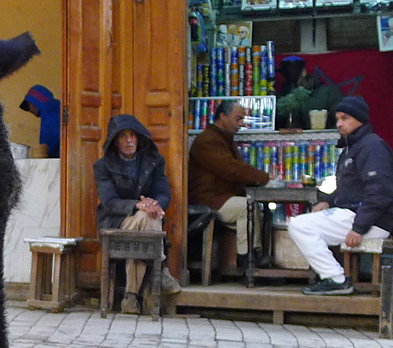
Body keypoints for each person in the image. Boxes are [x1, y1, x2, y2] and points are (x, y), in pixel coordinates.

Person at [286, 96, 393, 295]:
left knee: (299, 225)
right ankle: (334, 277)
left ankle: (336, 279)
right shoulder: (352, 148)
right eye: (338, 119)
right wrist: (327, 202)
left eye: (345, 118)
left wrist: (359, 228)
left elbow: (380, 191)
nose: (339, 123)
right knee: (303, 224)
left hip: (372, 222)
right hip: (355, 215)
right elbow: (349, 189)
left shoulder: (372, 147)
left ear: (360, 119)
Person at [95, 114, 180, 312]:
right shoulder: (103, 166)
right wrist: (138, 205)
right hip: (115, 222)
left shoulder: (153, 160)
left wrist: (153, 204)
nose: (129, 140)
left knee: (147, 223)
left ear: (139, 138)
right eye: (123, 136)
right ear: (116, 141)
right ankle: (162, 267)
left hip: (146, 221)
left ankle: (130, 300)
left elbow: (164, 193)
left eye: (132, 135)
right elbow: (109, 202)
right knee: (147, 218)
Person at [188, 98, 271, 257]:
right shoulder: (208, 140)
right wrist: (263, 177)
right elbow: (231, 169)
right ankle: (247, 258)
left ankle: (256, 254)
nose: (241, 123)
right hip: (208, 199)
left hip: (222, 197)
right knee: (248, 207)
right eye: (238, 118)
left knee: (260, 211)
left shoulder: (223, 138)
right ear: (223, 116)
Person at [18, 84, 61, 156]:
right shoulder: (53, 107)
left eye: (29, 105)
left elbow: (54, 135)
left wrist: (45, 155)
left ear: (35, 100)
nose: (30, 110)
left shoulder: (50, 106)